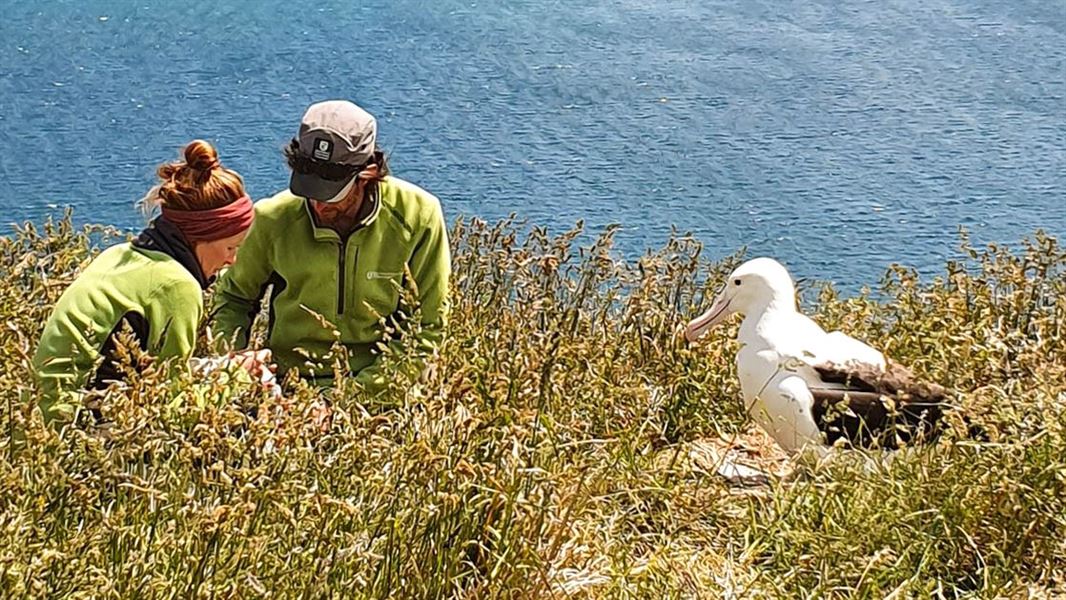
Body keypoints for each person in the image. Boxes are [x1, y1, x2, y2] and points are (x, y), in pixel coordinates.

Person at [212, 100, 451, 393]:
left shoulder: (418, 216)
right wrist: (234, 363)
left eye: (331, 192)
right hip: (287, 385)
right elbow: (233, 299)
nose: (318, 202)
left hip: (382, 390)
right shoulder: (272, 218)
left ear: (368, 174)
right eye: (308, 188)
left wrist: (345, 400)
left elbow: (427, 328)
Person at [32, 140, 256, 424]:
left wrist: (222, 367)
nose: (232, 261)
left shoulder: (118, 255)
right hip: (76, 433)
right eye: (230, 248)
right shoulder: (177, 285)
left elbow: (156, 373)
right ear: (200, 237)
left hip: (40, 421)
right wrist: (240, 378)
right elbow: (171, 407)